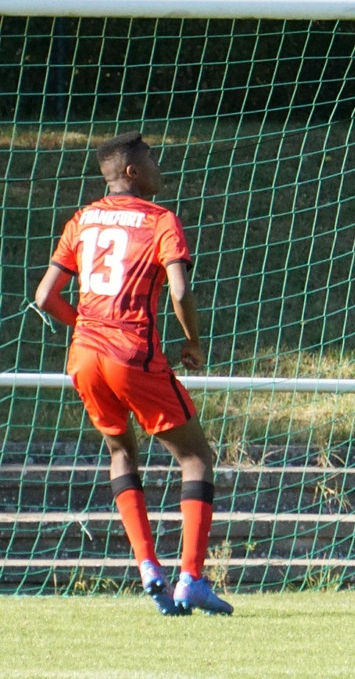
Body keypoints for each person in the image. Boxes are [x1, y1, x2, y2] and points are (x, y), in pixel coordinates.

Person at [34, 131, 233, 616]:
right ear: (132, 172)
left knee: (121, 452)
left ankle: (148, 567)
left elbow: (44, 297)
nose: (158, 165)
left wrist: (87, 326)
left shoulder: (82, 219)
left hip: (85, 355)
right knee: (196, 457)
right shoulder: (160, 220)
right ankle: (191, 578)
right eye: (151, 158)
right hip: (131, 354)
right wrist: (193, 341)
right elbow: (180, 291)